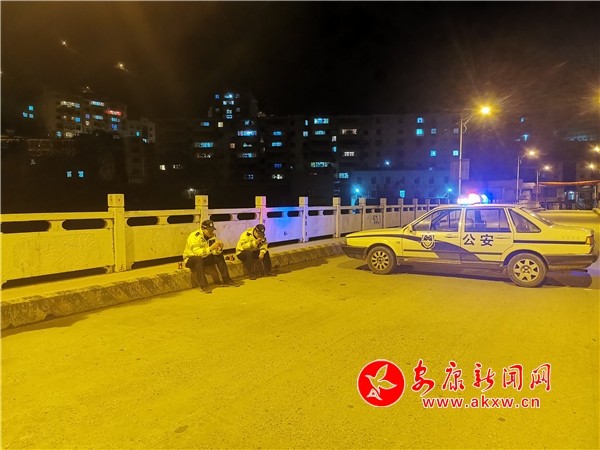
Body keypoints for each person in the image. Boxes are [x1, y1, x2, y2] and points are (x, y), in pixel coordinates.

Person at [183, 220, 240, 293]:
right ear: (203, 229)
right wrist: (210, 248)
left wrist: (219, 249)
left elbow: (214, 252)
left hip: (204, 257)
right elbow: (197, 253)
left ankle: (227, 280)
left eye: (212, 230)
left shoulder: (212, 236)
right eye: (209, 230)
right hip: (190, 259)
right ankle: (204, 286)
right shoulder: (194, 236)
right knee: (198, 259)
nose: (211, 232)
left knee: (219, 256)